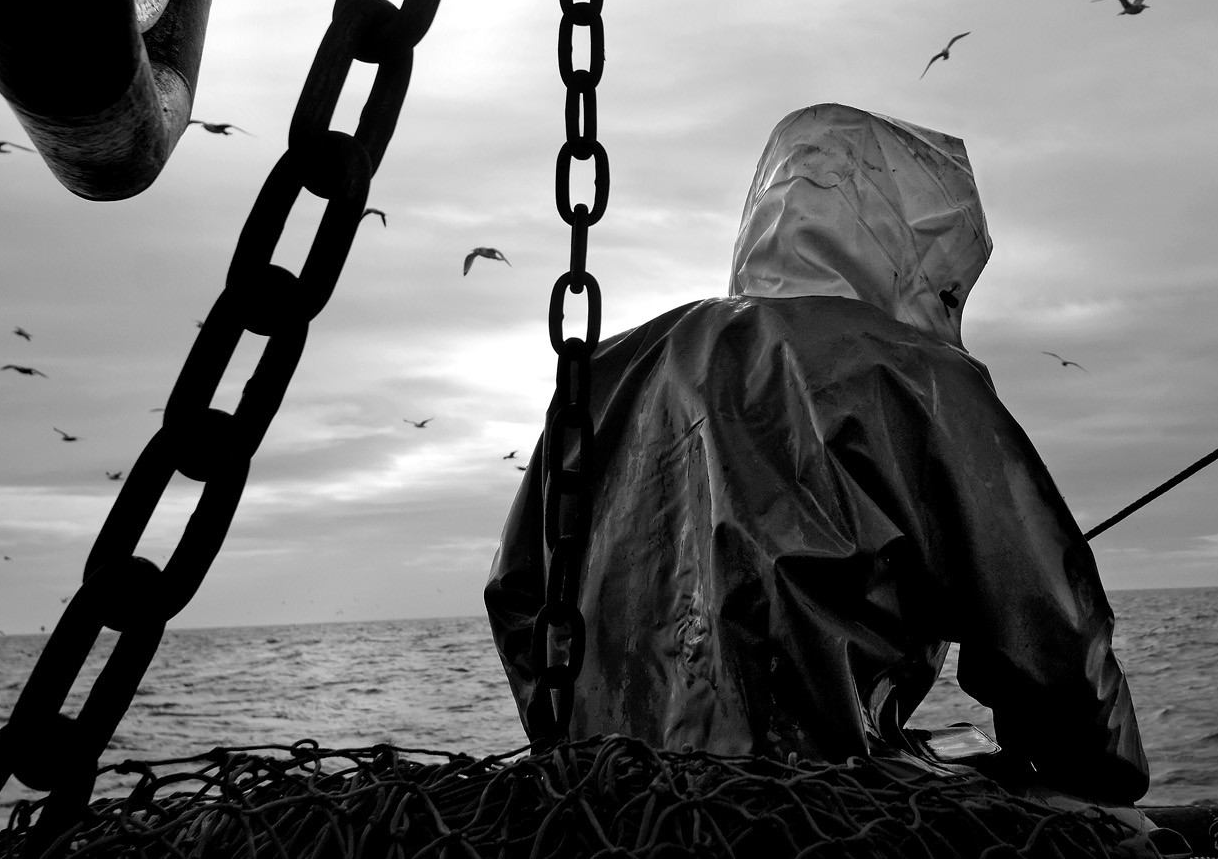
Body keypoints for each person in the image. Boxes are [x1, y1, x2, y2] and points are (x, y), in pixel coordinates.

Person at [486, 104, 1149, 803]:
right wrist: (1105, 772)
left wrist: (588, 748)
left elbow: (520, 594)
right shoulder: (913, 374)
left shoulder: (602, 376)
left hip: (612, 806)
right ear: (902, 245)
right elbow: (1050, 635)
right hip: (820, 812)